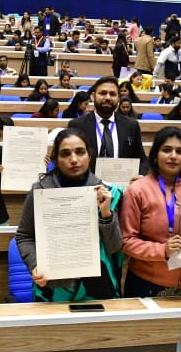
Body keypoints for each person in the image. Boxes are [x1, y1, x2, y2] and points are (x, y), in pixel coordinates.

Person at [15, 128, 124, 301]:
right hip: (52, 286)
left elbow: (114, 247)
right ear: (55, 159)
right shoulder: (39, 191)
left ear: (89, 155)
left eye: (80, 152)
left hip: (98, 287)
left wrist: (105, 213)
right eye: (65, 154)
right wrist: (35, 264)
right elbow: (24, 236)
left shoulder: (109, 192)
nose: (73, 159)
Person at [121, 128, 181, 296]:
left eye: (180, 151)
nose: (173, 156)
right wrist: (162, 250)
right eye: (167, 150)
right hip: (148, 284)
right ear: (155, 155)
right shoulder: (138, 190)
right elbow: (126, 241)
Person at [67, 76, 147, 173]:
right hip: (88, 181)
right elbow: (70, 159)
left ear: (119, 98)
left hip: (122, 181)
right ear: (93, 96)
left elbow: (142, 160)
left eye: (112, 94)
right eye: (103, 93)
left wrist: (139, 176)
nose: (108, 98)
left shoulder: (131, 125)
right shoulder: (77, 125)